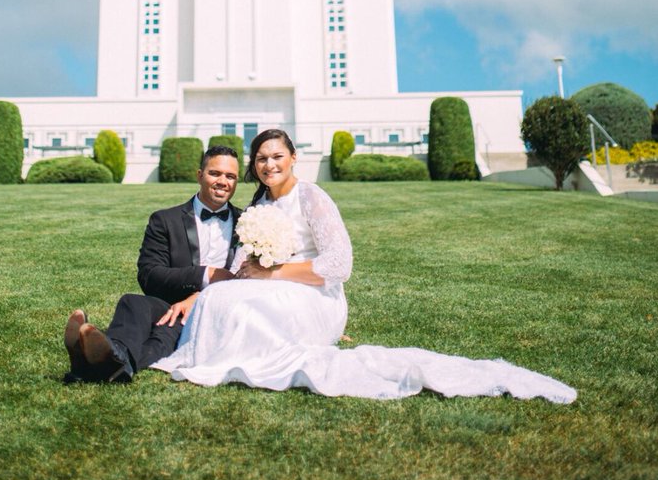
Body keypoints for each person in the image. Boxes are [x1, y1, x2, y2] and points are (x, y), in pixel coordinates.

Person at [152, 129, 577, 403]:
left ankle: (252, 354)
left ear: (294, 157)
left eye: (277, 156)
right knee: (224, 299)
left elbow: (340, 265)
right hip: (271, 285)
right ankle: (217, 357)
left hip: (316, 296)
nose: (269, 165)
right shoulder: (259, 204)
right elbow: (243, 262)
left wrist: (274, 273)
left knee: (245, 305)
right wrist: (228, 282)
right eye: (261, 159)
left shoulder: (313, 197)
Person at [63, 144, 241, 384]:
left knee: (168, 330)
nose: (223, 181)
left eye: (230, 176)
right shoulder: (165, 220)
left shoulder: (249, 224)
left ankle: (87, 364)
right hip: (170, 305)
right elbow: (150, 276)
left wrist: (198, 297)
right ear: (199, 175)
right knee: (134, 303)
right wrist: (205, 274)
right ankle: (113, 357)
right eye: (215, 173)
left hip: (219, 310)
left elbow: (251, 280)